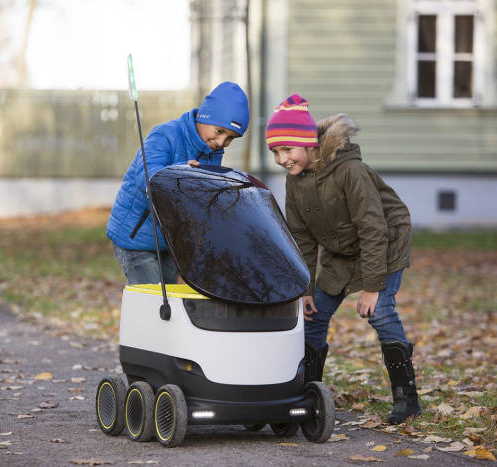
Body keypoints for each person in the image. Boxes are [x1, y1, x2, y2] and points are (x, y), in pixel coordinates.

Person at [265, 94, 420, 424]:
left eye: (287, 150)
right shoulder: (295, 182)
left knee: (380, 312)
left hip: (383, 242)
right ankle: (306, 396)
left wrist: (373, 286)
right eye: (275, 152)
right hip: (341, 251)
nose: (281, 159)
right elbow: (302, 239)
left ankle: (407, 398)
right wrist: (305, 288)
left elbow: (373, 226)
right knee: (313, 317)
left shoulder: (351, 171)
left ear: (308, 144)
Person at [107, 82, 249, 285]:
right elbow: (146, 177)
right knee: (152, 298)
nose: (221, 142)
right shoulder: (165, 135)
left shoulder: (213, 152)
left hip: (171, 240)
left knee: (170, 300)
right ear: (203, 116)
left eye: (230, 139)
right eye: (219, 132)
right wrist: (182, 172)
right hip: (135, 236)